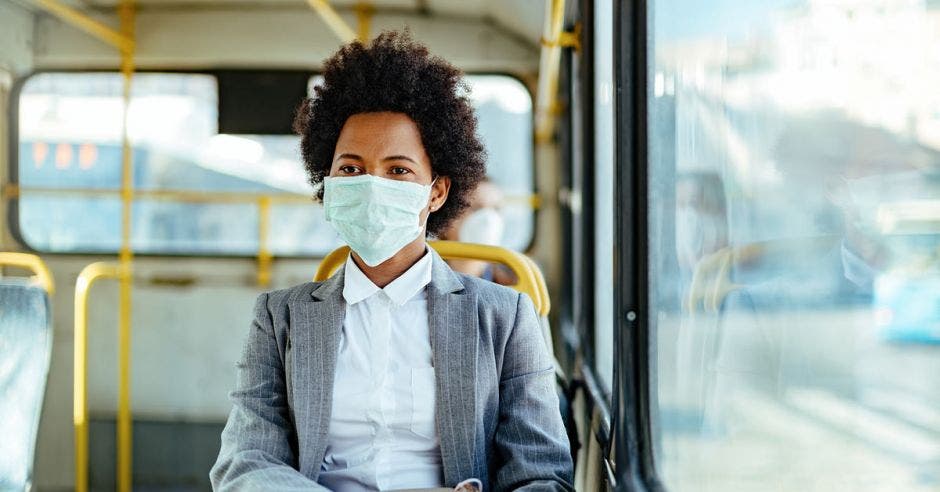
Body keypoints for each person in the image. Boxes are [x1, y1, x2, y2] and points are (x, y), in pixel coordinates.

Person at [210, 32, 573, 491]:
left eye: (398, 170)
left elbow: (543, 473)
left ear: (437, 191)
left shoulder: (505, 316)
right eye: (350, 169)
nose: (371, 184)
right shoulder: (279, 318)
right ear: (329, 185)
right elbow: (245, 462)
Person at [439, 177, 517, 285]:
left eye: (496, 209)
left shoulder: (514, 284)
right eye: (476, 208)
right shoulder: (422, 279)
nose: (489, 219)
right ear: (447, 219)